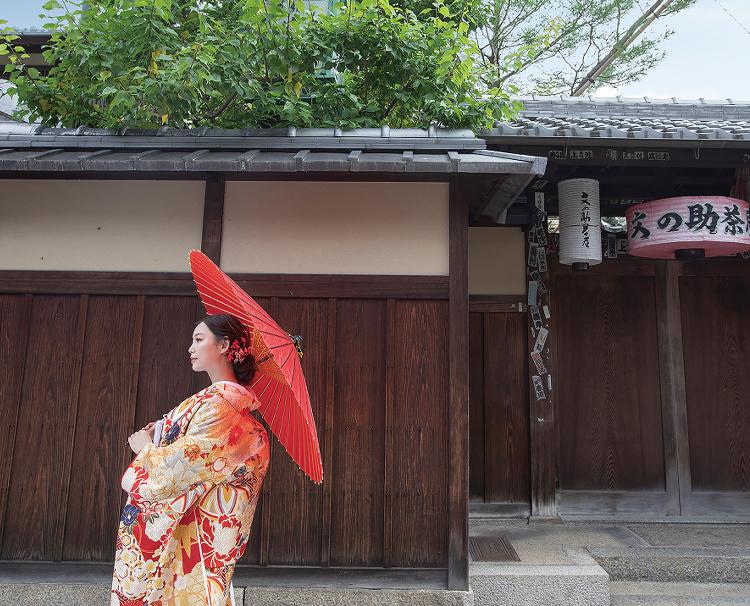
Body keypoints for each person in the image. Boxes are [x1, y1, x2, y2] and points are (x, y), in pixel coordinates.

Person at [111, 314, 270, 606]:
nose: (190, 348)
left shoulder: (221, 406)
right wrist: (161, 432)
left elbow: (176, 471)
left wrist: (147, 448)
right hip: (199, 540)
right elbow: (191, 449)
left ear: (224, 346)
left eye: (198, 340)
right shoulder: (218, 404)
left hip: (193, 539)